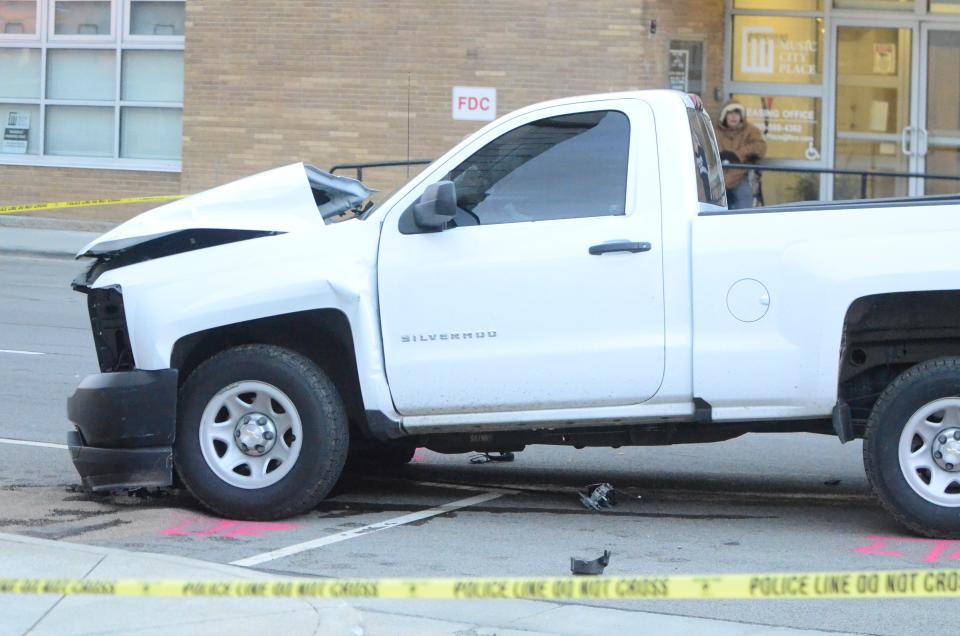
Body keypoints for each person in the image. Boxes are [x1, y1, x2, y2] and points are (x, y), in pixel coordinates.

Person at [714, 101, 767, 209]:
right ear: (724, 116)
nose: (734, 117)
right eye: (730, 113)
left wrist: (737, 154)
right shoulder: (715, 131)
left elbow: (760, 147)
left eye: (737, 113)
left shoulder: (750, 130)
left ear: (741, 116)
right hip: (716, 179)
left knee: (744, 207)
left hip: (740, 177)